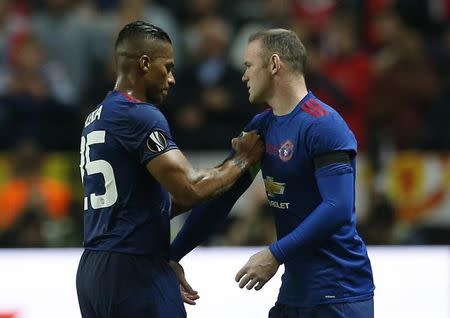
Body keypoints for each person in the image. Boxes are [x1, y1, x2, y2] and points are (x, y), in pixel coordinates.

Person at [170, 29, 375, 318]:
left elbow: (337, 206)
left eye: (248, 66)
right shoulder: (260, 128)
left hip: (338, 292)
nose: (243, 77)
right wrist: (173, 255)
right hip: (294, 293)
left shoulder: (324, 125)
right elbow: (221, 198)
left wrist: (275, 254)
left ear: (274, 64)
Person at [75, 21, 264, 318]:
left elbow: (140, 205)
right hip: (134, 268)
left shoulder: (95, 118)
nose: (173, 78)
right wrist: (242, 161)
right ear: (145, 63)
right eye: (168, 67)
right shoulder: (141, 115)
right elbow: (190, 189)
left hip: (93, 271)